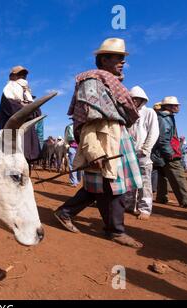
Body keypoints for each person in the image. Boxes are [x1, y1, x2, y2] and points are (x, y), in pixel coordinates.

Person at [53, 38, 143, 248]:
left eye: (123, 58)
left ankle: (66, 212)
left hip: (115, 137)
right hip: (103, 141)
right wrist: (94, 151)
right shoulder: (91, 82)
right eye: (118, 58)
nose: (122, 62)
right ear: (104, 59)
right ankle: (115, 231)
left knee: (101, 188)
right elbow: (86, 122)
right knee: (112, 188)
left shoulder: (111, 84)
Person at [151, 96, 187, 209]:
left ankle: (161, 197)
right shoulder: (165, 118)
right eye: (175, 105)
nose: (177, 107)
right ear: (167, 106)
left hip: (161, 153)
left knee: (163, 175)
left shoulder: (164, 117)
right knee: (178, 176)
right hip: (167, 152)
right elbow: (163, 139)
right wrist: (170, 153)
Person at [123, 86, 159, 220]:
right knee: (130, 180)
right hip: (129, 152)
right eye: (132, 99)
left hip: (143, 153)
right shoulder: (127, 114)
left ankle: (145, 209)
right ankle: (129, 205)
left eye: (137, 99)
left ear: (142, 100)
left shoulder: (149, 112)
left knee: (145, 182)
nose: (134, 101)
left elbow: (154, 132)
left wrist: (146, 148)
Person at [0, 66, 42, 172]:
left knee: (25, 165)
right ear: (13, 76)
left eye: (24, 75)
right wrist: (28, 109)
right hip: (13, 134)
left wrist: (27, 106)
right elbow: (16, 111)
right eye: (19, 75)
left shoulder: (27, 94)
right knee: (13, 166)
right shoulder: (8, 90)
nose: (23, 77)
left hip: (27, 133)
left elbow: (38, 113)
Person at [64, 118, 81, 187]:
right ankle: (74, 181)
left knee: (81, 164)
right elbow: (66, 138)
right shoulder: (69, 127)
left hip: (81, 147)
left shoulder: (82, 126)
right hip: (72, 147)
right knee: (71, 164)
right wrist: (67, 145)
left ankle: (78, 180)